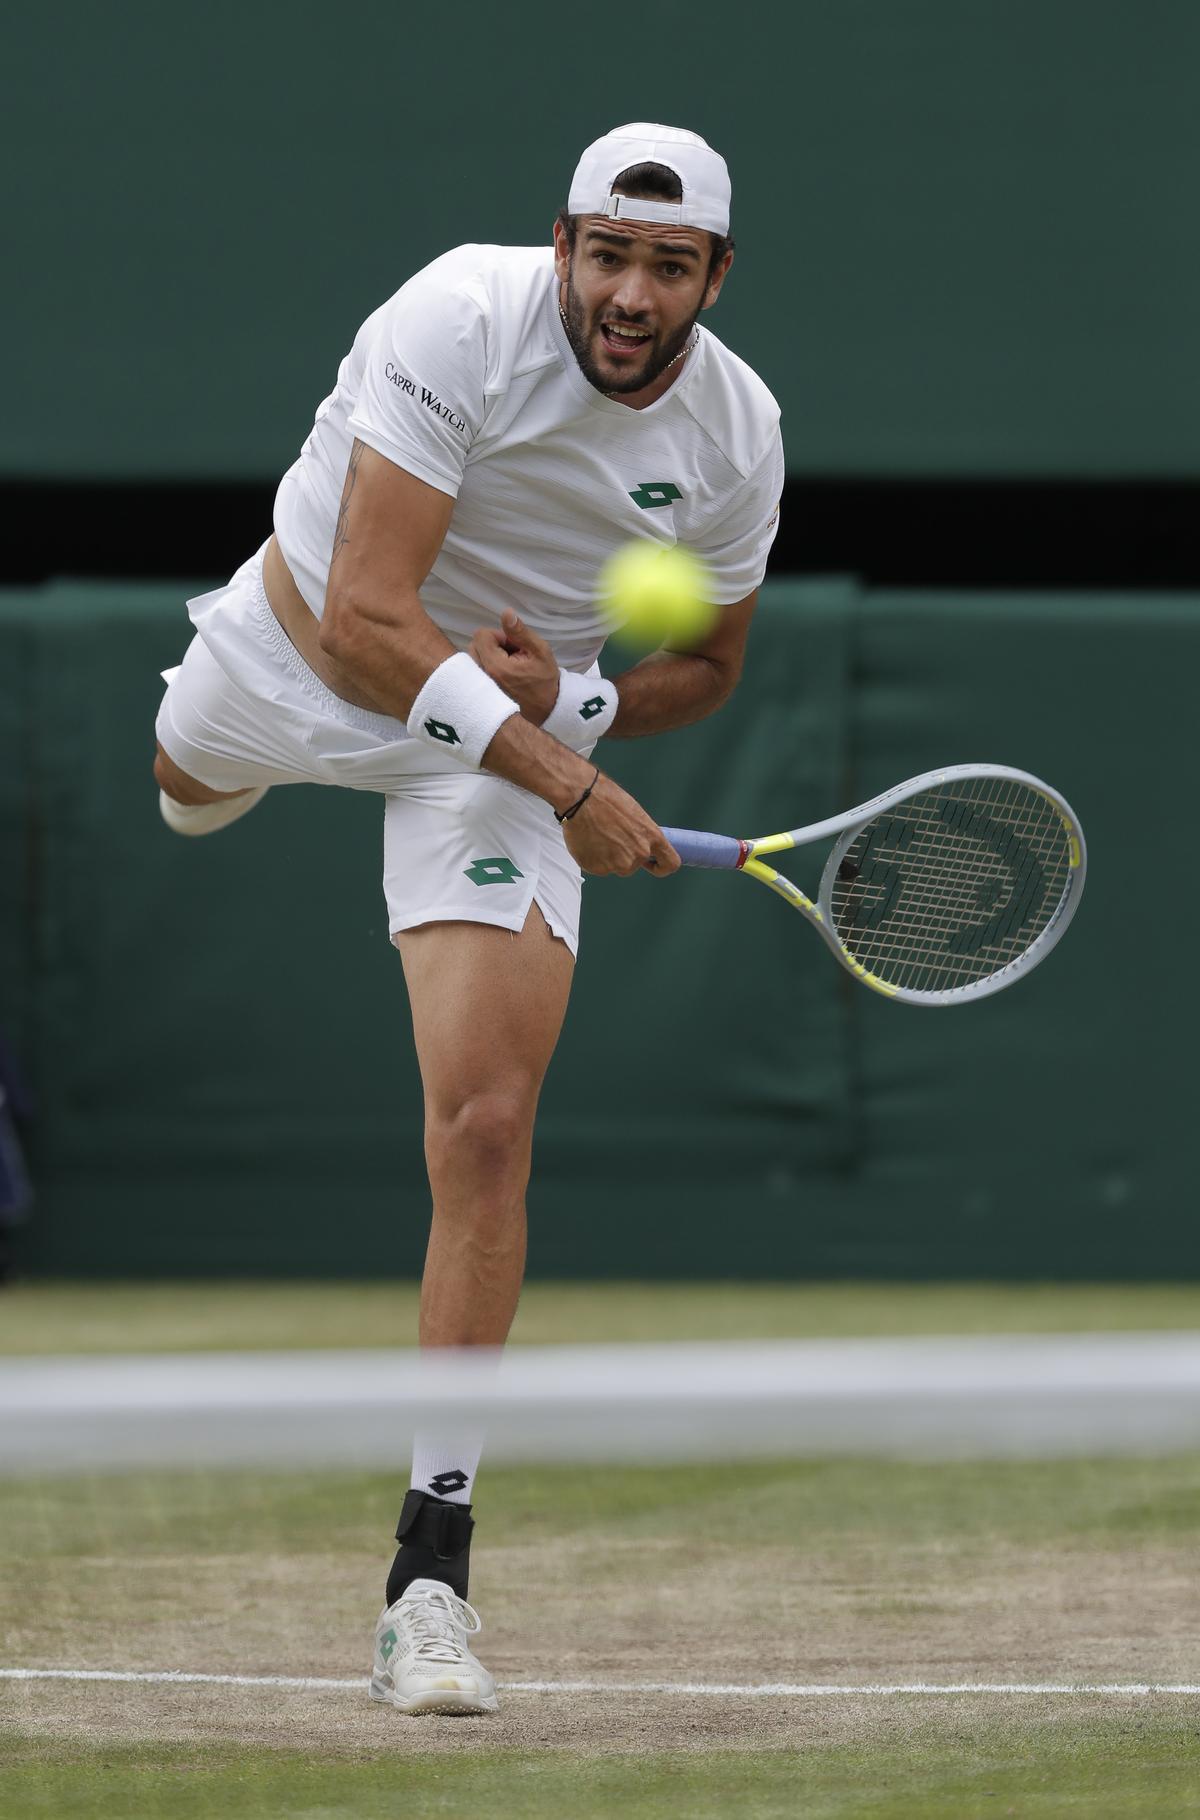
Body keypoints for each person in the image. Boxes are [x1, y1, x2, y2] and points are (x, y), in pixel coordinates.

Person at [154, 122, 783, 1715]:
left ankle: (429, 1576)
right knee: (176, 774)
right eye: (606, 253)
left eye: (667, 264)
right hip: (295, 660)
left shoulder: (738, 432)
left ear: (715, 275)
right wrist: (570, 780)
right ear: (561, 243)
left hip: (494, 756)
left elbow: (708, 666)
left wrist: (570, 705)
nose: (628, 293)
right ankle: (203, 767)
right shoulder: (459, 315)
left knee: (486, 1130)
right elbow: (371, 617)